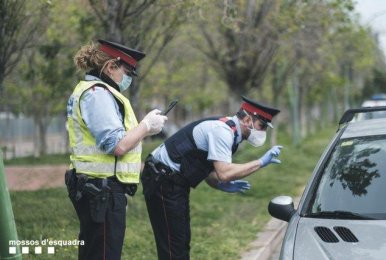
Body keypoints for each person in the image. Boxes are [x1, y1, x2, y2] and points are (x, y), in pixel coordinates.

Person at [141, 96, 283, 259]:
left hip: (173, 183)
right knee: (174, 247)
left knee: (181, 242)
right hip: (163, 180)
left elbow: (207, 169)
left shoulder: (232, 134)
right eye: (262, 126)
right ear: (247, 119)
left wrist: (219, 184)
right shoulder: (222, 131)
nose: (263, 131)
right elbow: (224, 172)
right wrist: (260, 162)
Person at [65, 39, 168, 260]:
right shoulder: (98, 94)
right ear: (111, 66)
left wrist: (145, 130)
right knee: (103, 254)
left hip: (98, 188)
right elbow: (116, 145)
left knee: (96, 252)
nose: (129, 78)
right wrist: (146, 126)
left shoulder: (95, 91)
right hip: (101, 190)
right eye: (127, 71)